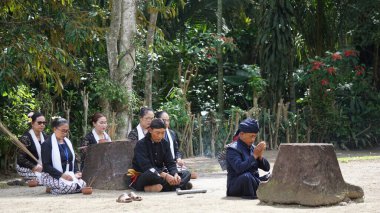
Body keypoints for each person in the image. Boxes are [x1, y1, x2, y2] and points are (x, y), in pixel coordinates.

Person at [129, 118, 191, 192]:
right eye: (157, 133)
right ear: (150, 130)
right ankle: (178, 186)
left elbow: (170, 163)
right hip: (146, 175)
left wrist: (175, 174)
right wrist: (165, 176)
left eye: (163, 133)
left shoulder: (165, 143)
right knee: (150, 173)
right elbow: (146, 167)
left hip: (161, 176)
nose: (160, 136)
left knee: (186, 173)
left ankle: (165, 187)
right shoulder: (141, 144)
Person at [226, 118, 270, 199]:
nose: (253, 139)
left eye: (255, 136)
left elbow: (267, 168)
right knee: (247, 177)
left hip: (253, 181)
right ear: (241, 134)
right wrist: (254, 156)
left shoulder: (252, 148)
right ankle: (258, 192)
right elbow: (239, 168)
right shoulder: (232, 149)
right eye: (251, 136)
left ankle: (260, 189)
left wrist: (260, 156)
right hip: (236, 186)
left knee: (271, 176)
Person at [40, 117, 86, 194]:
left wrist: (76, 172)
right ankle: (52, 189)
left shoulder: (68, 142)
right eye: (62, 131)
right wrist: (62, 175)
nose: (65, 133)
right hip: (51, 176)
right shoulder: (47, 144)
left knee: (83, 184)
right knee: (70, 186)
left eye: (66, 131)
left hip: (68, 175)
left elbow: (72, 160)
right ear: (54, 129)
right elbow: (46, 166)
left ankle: (56, 189)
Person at [16, 112, 47, 182]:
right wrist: (34, 167)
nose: (42, 125)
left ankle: (29, 181)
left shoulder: (45, 137)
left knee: (53, 175)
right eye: (39, 123)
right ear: (32, 123)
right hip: (26, 168)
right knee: (44, 179)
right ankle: (24, 181)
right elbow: (20, 159)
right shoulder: (25, 138)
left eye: (44, 123)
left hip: (41, 167)